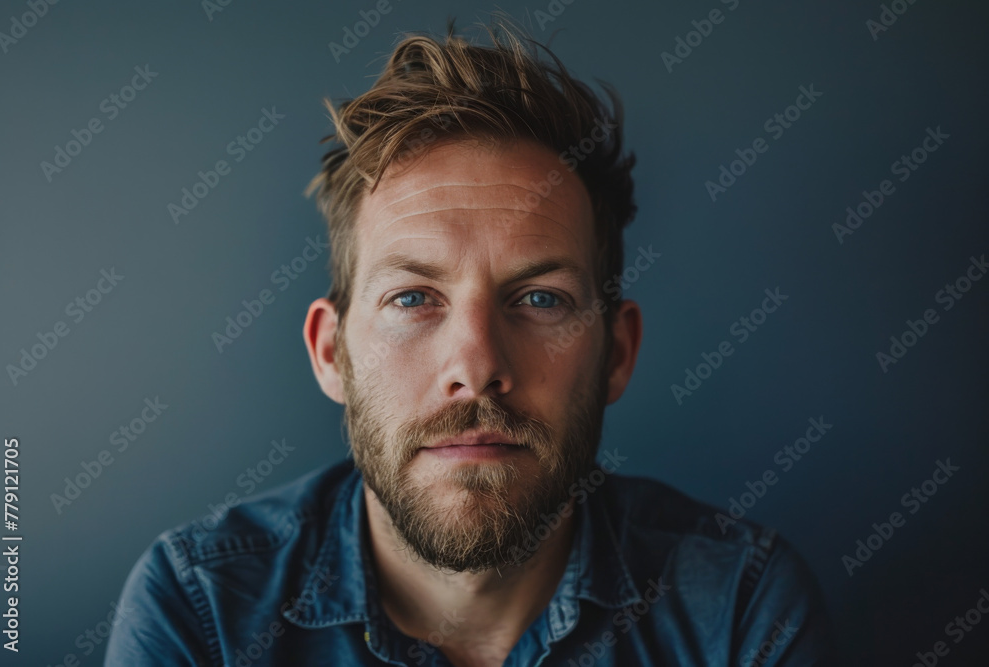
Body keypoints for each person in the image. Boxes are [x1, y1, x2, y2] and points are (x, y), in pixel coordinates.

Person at [106, 19, 837, 666]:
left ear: (617, 352)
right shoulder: (200, 609)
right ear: (332, 351)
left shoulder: (739, 607)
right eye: (414, 298)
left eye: (540, 299)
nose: (476, 365)